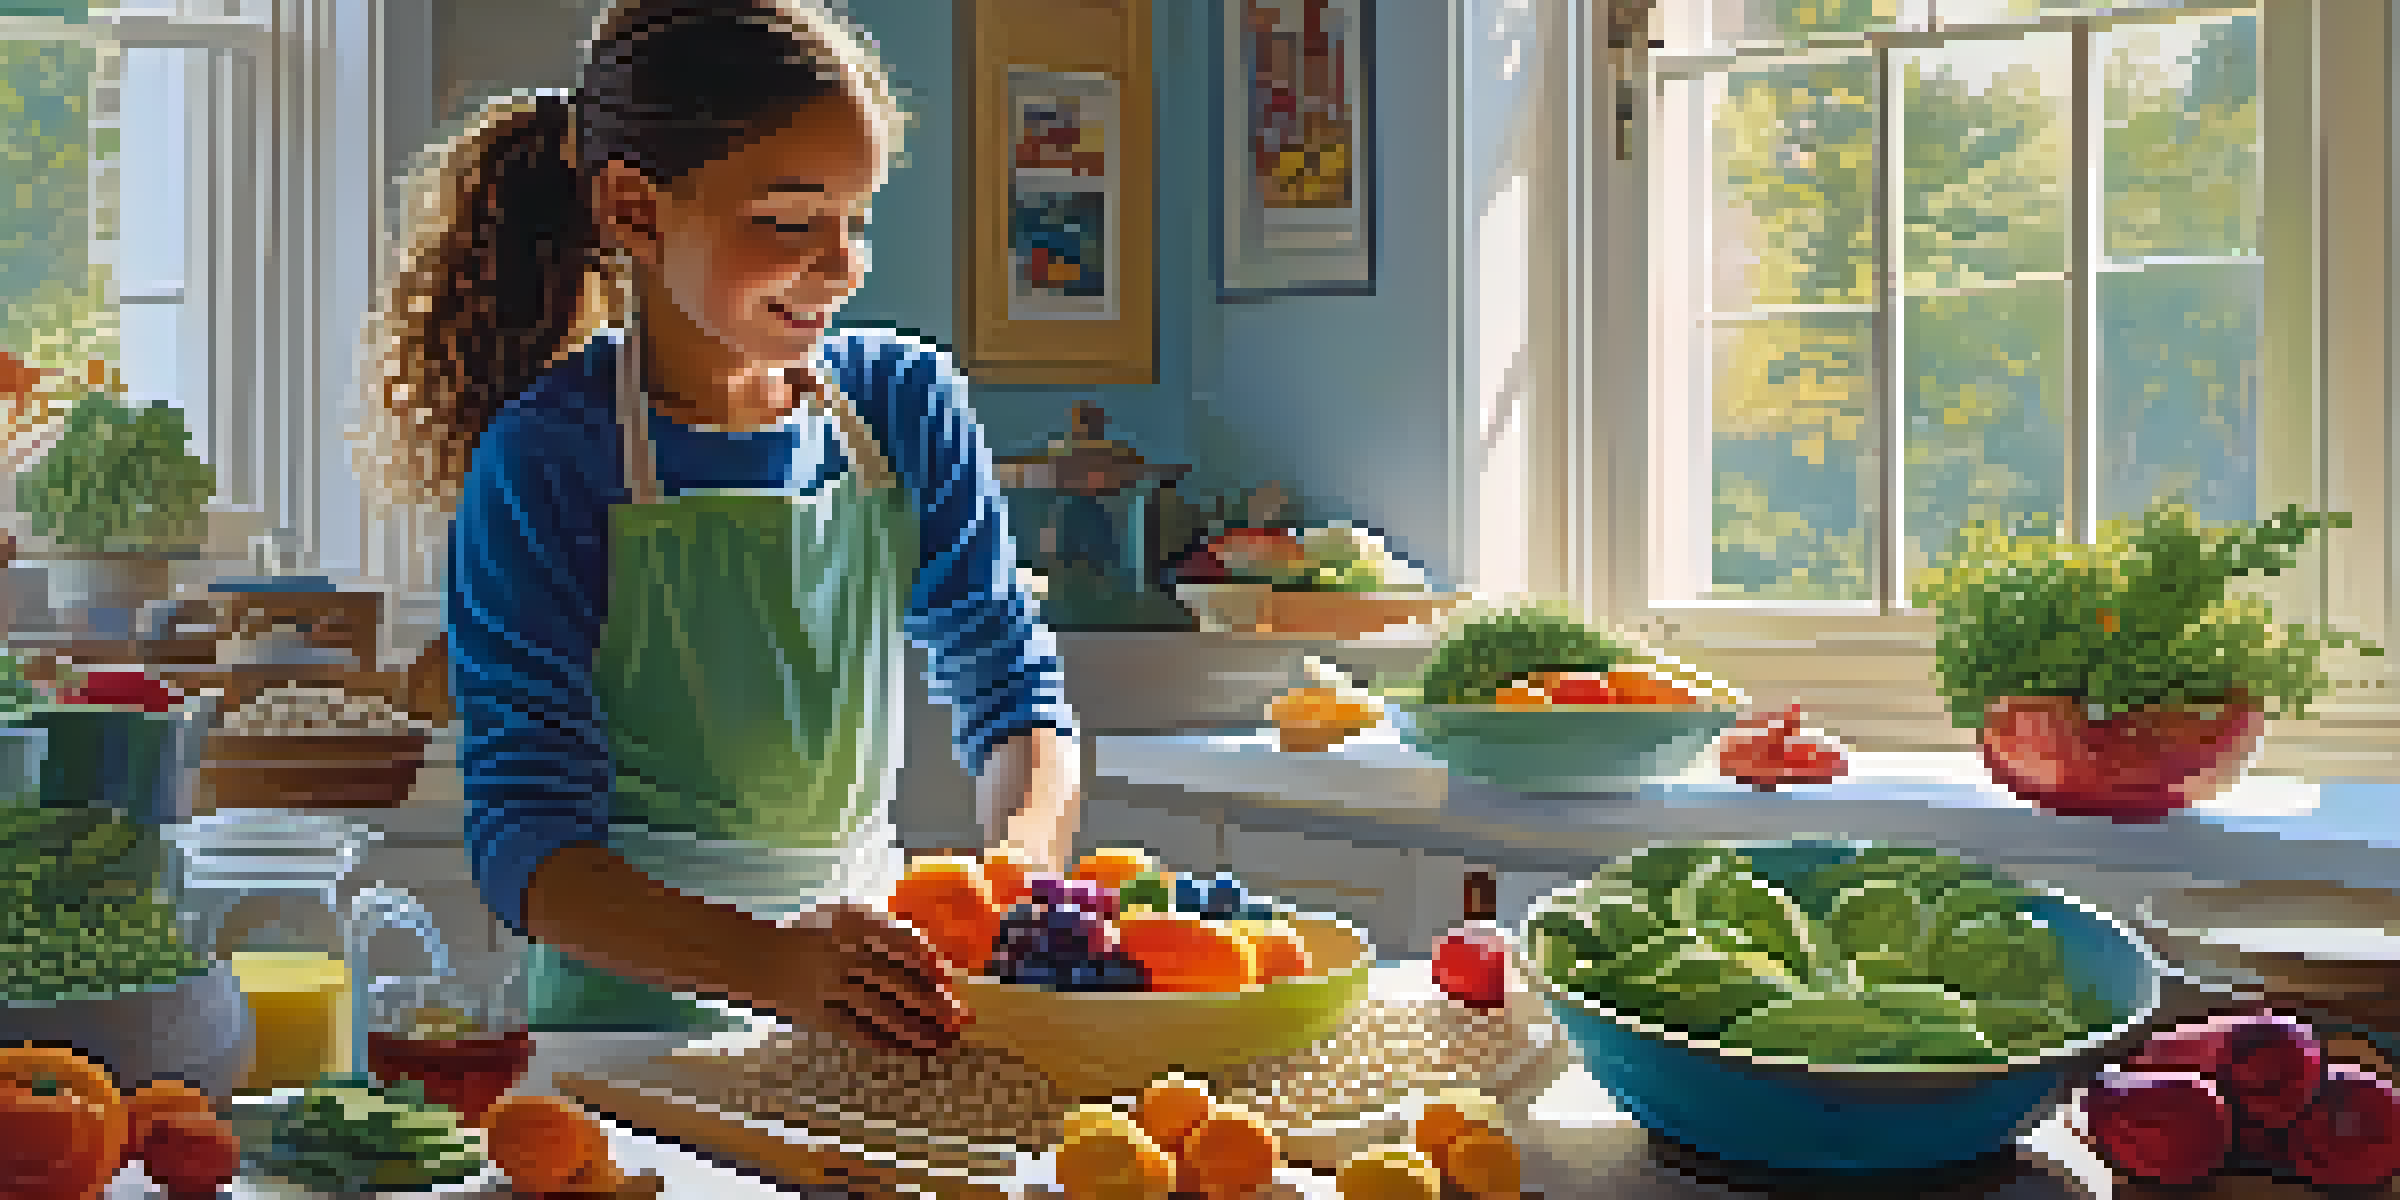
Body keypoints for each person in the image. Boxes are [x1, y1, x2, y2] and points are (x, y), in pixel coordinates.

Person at [350, 0, 1085, 1055]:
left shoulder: (903, 406)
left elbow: (1017, 697)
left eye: (856, 217)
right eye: (790, 220)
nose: (843, 265)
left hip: (864, 1019)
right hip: (621, 1038)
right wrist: (777, 967)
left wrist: (1015, 872)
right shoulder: (548, 461)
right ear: (635, 211)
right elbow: (530, 851)